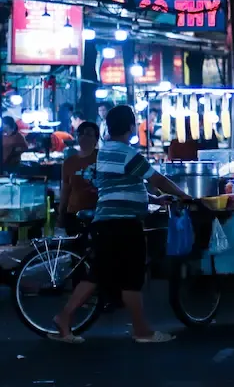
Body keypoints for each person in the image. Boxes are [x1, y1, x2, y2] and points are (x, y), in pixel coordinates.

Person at [53, 104, 192, 344]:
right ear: (130, 127)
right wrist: (183, 194)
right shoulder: (127, 154)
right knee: (131, 276)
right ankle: (141, 330)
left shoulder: (106, 152)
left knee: (99, 274)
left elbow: (120, 185)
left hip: (107, 223)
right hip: (123, 224)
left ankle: (65, 318)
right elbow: (156, 178)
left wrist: (155, 199)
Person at [58, 120, 100, 234]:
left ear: (96, 139)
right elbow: (65, 190)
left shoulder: (103, 159)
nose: (84, 137)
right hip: (74, 214)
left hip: (99, 213)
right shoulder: (69, 162)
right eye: (81, 133)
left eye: (88, 134)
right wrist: (61, 212)